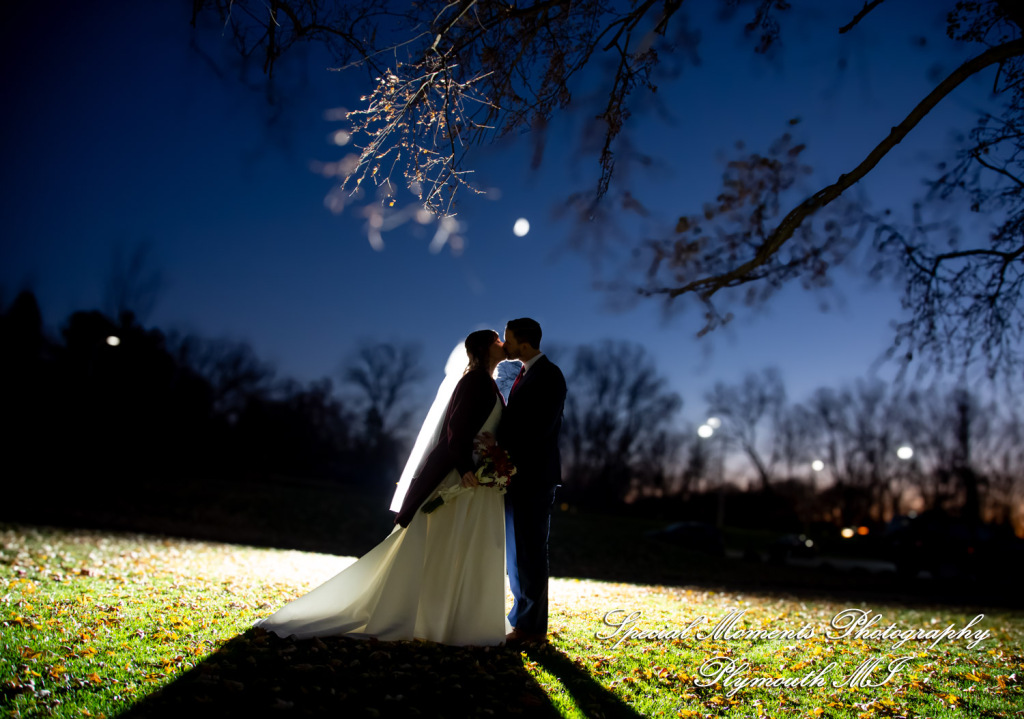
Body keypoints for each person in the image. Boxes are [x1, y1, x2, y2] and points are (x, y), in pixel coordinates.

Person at [256, 330, 510, 646]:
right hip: (460, 478)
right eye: (498, 340)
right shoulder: (473, 381)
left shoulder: (488, 384)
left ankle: (452, 620)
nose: (504, 344)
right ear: (486, 347)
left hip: (479, 479)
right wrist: (467, 468)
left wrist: (494, 455)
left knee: (459, 546)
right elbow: (455, 431)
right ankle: (425, 617)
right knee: (441, 543)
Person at [498, 318, 567, 646]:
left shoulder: (549, 375)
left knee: (530, 552)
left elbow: (538, 429)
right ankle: (522, 620)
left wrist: (505, 458)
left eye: (508, 339)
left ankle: (532, 629)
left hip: (533, 477)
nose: (504, 344)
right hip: (518, 475)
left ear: (523, 343)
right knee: (518, 551)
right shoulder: (526, 372)